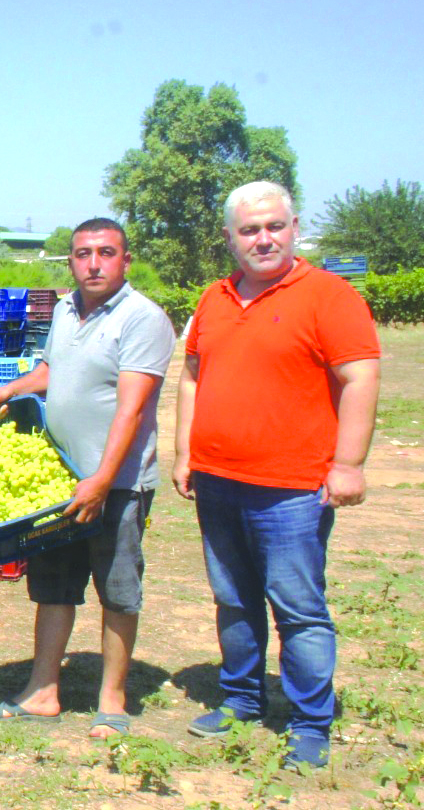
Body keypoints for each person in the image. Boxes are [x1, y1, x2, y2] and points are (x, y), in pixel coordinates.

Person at [175, 181, 380, 770]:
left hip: (292, 487)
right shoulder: (214, 299)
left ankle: (311, 721)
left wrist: (349, 463)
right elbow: (192, 375)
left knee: (297, 606)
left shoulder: (330, 296)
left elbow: (360, 379)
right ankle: (241, 698)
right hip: (217, 479)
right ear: (230, 239)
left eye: (274, 227)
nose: (263, 239)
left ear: (293, 228)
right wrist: (185, 452)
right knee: (233, 599)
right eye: (249, 230)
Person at [0, 218, 175, 738]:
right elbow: (51, 372)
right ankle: (43, 691)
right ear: (71, 261)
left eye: (106, 253)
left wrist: (103, 480)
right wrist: (11, 390)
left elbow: (131, 410)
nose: (93, 263)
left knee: (117, 589)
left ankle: (112, 699)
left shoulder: (142, 319)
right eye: (83, 254)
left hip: (118, 483)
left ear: (125, 260)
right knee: (54, 587)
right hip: (60, 480)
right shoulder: (65, 310)